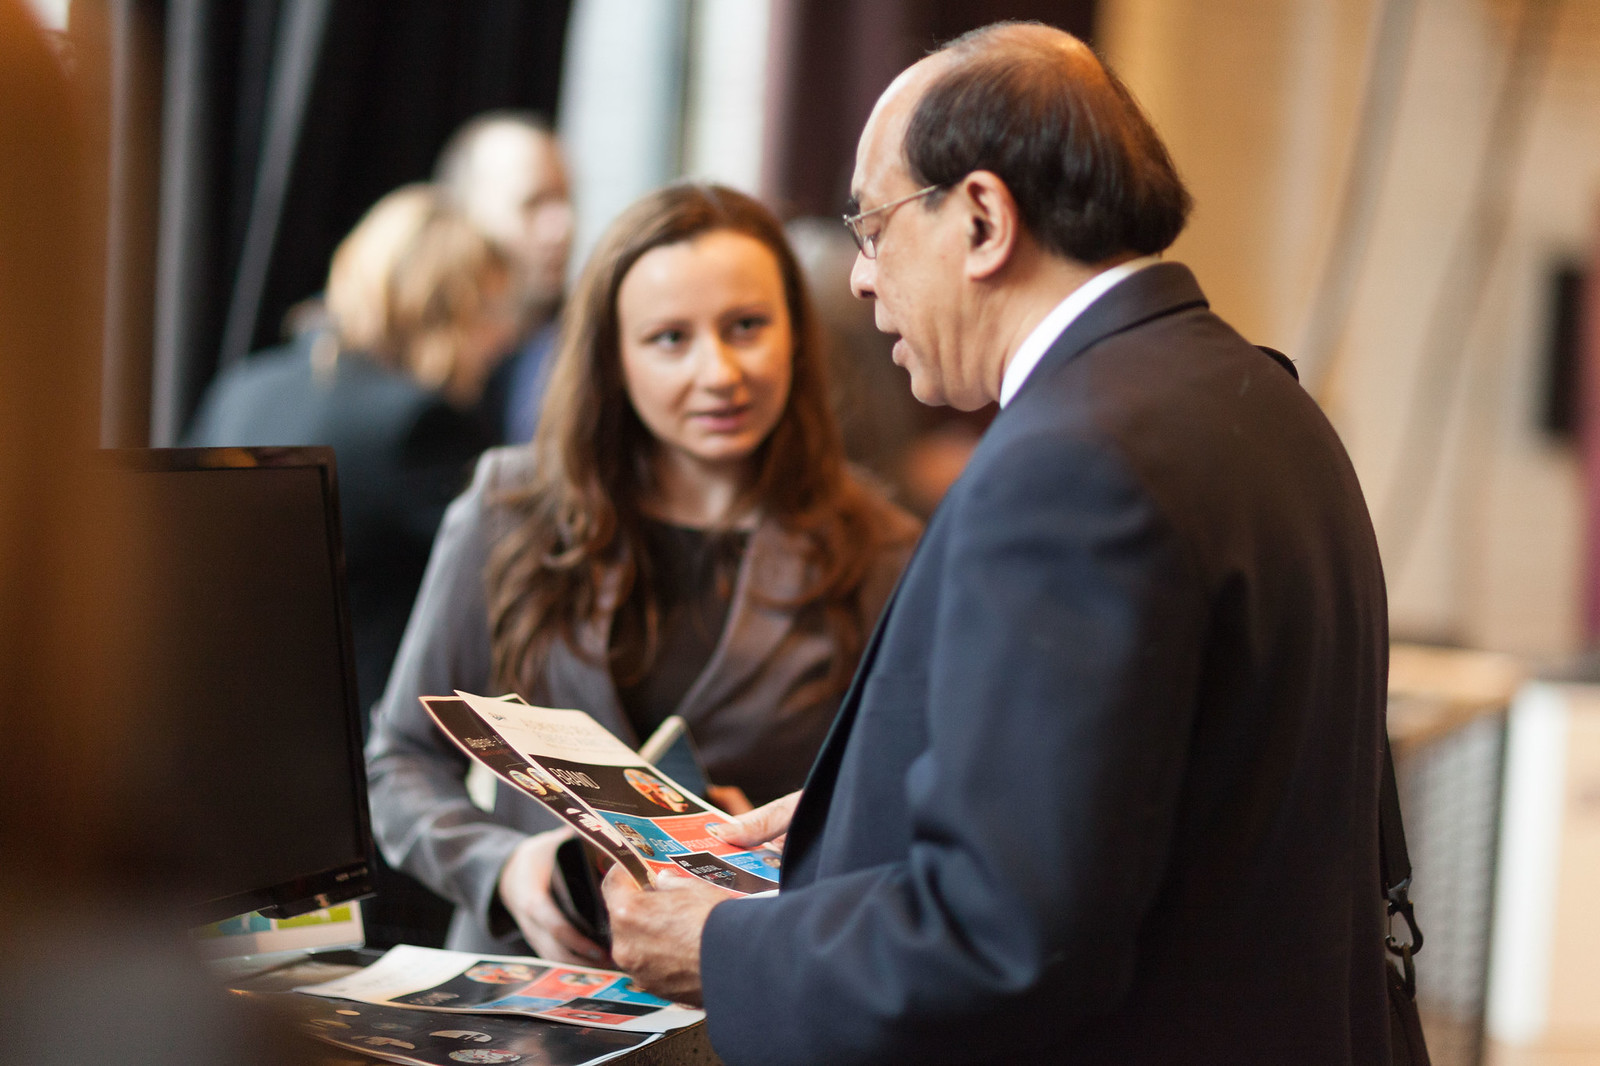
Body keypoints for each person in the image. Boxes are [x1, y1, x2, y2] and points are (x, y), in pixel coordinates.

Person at [601, 22, 1392, 1064]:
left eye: (871, 227)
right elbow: (1163, 803)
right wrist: (857, 827)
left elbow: (1005, 942)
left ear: (981, 218)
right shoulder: (1258, 394)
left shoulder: (1069, 465)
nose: (856, 279)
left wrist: (720, 942)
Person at [364, 183, 921, 964]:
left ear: (797, 335)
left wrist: (778, 848)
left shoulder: (880, 547)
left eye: (747, 326)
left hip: (736, 995)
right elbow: (400, 760)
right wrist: (503, 869)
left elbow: (897, 814)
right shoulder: (509, 508)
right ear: (613, 359)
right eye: (669, 338)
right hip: (531, 989)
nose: (718, 371)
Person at [186, 185, 520, 722]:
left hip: (212, 717)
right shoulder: (419, 424)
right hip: (351, 747)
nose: (506, 338)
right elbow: (510, 586)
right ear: (448, 308)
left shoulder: (245, 386)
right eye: (495, 308)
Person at [434, 111, 574, 444]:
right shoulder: (409, 341)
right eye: (533, 204)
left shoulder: (580, 344)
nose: (563, 228)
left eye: (565, 200)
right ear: (464, 212)